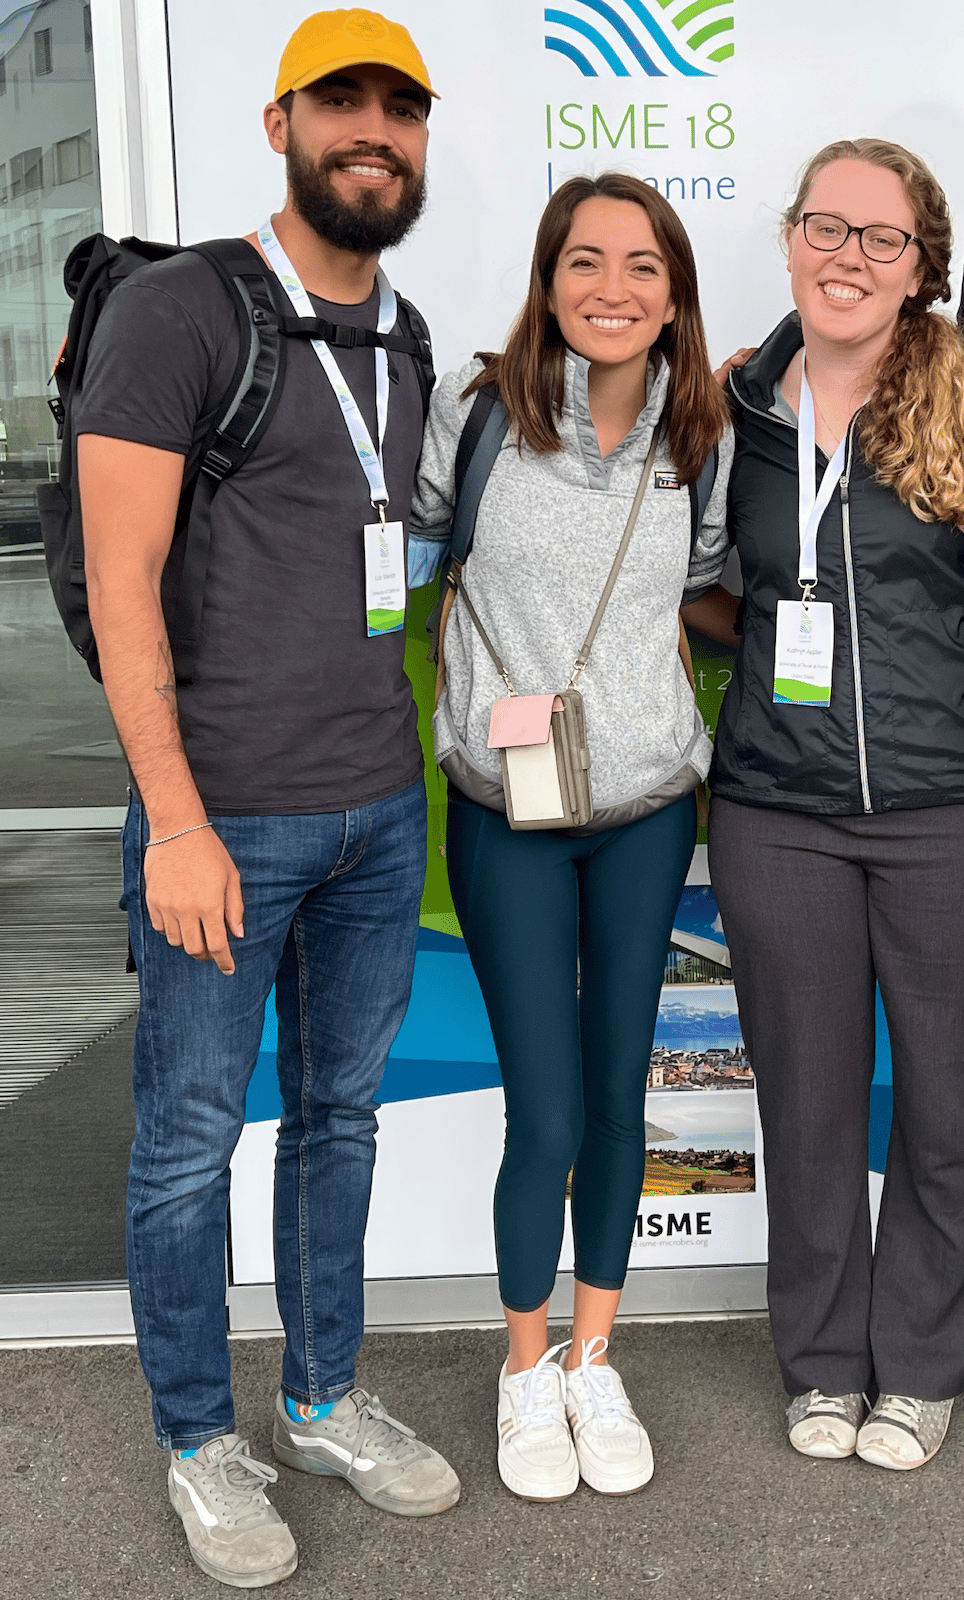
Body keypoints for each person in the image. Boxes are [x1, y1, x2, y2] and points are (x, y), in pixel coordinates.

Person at [76, 8, 459, 1590]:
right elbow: (121, 581)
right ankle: (194, 1436)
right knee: (182, 1145)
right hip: (222, 822)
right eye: (342, 103)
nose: (373, 131)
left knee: (342, 1119)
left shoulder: (409, 331)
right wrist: (173, 817)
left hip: (379, 809)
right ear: (280, 119)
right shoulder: (181, 310)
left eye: (402, 109)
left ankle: (319, 1396)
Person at [411, 173, 732, 1501]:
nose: (613, 289)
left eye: (644, 268)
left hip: (648, 809)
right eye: (585, 262)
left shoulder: (700, 434)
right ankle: (526, 1368)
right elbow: (405, 568)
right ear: (548, 281)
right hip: (509, 815)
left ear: (676, 294)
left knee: (619, 1099)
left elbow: (713, 598)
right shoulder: (476, 414)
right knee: (542, 1110)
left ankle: (598, 1356)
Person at [707, 138, 964, 1471]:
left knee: (947, 1106)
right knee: (805, 1108)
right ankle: (822, 1362)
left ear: (924, 268)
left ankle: (919, 1367)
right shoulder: (736, 406)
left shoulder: (962, 397)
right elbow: (704, 586)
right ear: (793, 239)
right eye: (827, 227)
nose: (848, 256)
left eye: (882, 238)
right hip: (776, 812)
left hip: (942, 812)